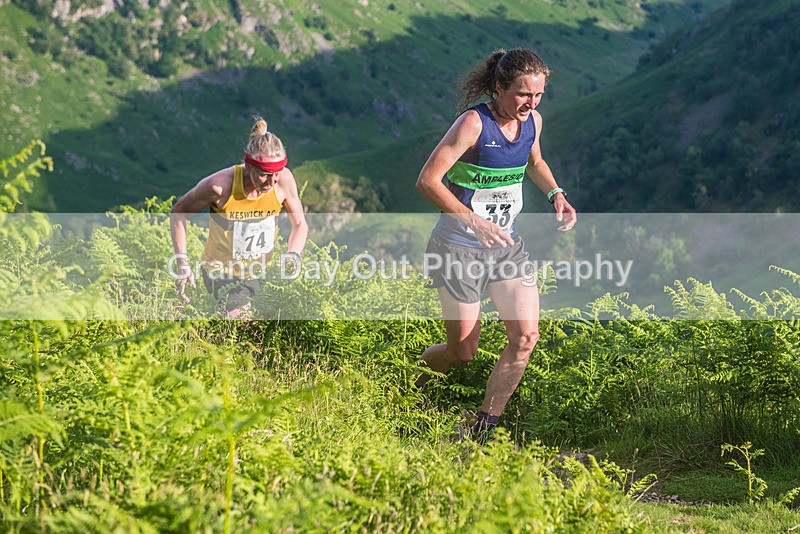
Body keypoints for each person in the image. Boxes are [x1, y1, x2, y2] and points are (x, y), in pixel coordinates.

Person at [415, 48, 576, 439]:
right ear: (500, 86)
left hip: (506, 247)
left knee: (525, 337)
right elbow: (427, 181)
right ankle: (408, 388)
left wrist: (555, 193)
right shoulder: (473, 123)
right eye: (523, 94)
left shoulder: (533, 121)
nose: (531, 103)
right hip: (458, 248)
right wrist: (473, 220)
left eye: (537, 95)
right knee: (462, 353)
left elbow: (533, 161)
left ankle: (483, 427)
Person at [170, 116, 308, 318]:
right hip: (222, 274)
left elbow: (300, 224)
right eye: (264, 174)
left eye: (276, 173)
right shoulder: (219, 186)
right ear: (249, 165)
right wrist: (183, 264)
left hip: (262, 273)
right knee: (243, 325)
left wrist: (292, 254)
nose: (271, 182)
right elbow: (178, 212)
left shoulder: (284, 180)